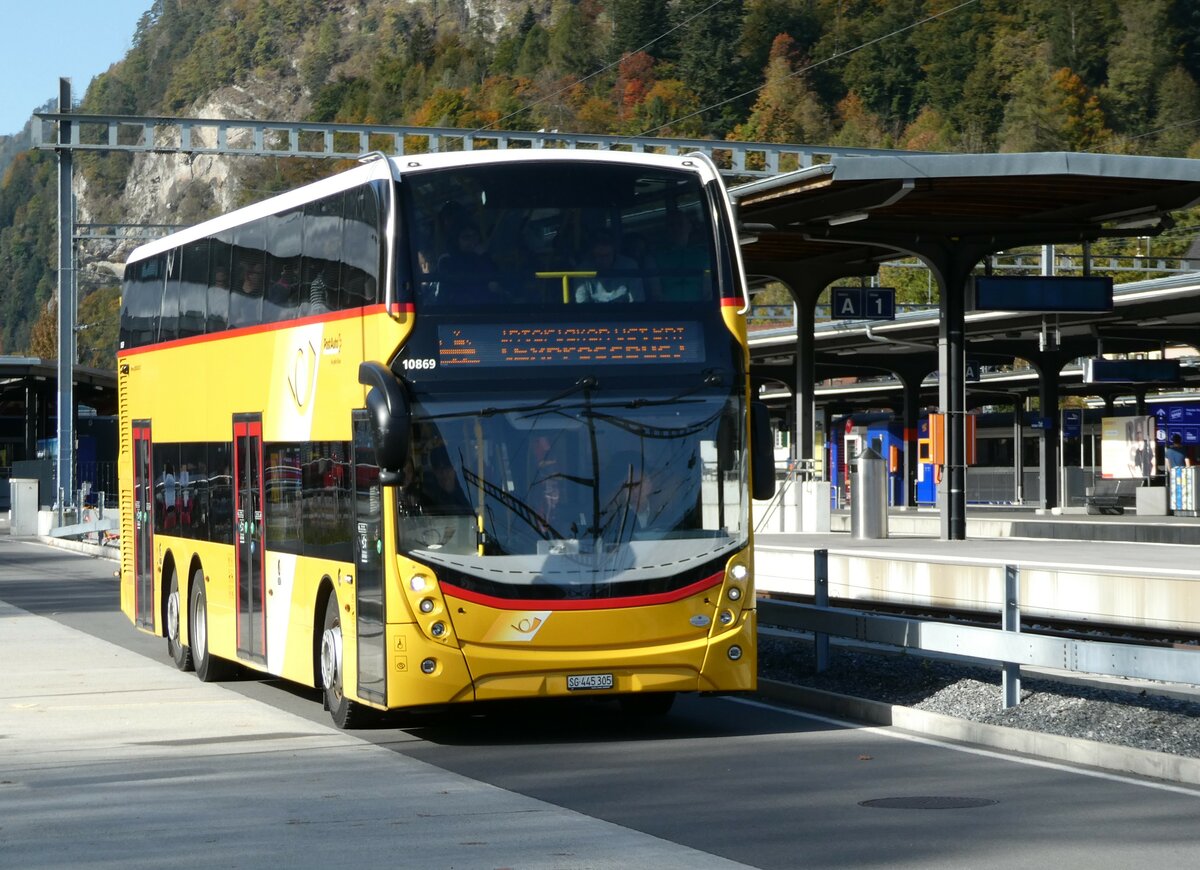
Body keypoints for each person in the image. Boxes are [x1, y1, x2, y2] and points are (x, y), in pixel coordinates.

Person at [576, 231, 643, 303]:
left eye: (607, 255)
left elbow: (637, 300)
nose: (604, 260)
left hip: (625, 312)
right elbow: (582, 304)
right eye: (599, 256)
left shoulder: (630, 266)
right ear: (592, 255)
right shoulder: (583, 270)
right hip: (595, 313)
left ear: (614, 253)